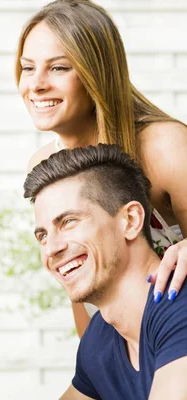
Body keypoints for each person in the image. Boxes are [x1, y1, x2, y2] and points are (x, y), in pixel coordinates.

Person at [15, 0, 187, 336]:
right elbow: (79, 286)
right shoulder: (41, 165)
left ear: (96, 72)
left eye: (59, 68)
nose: (36, 85)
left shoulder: (165, 146)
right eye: (27, 67)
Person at [25, 144, 187, 399]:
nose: (51, 249)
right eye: (43, 236)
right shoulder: (101, 337)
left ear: (130, 220)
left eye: (68, 222)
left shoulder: (180, 306)